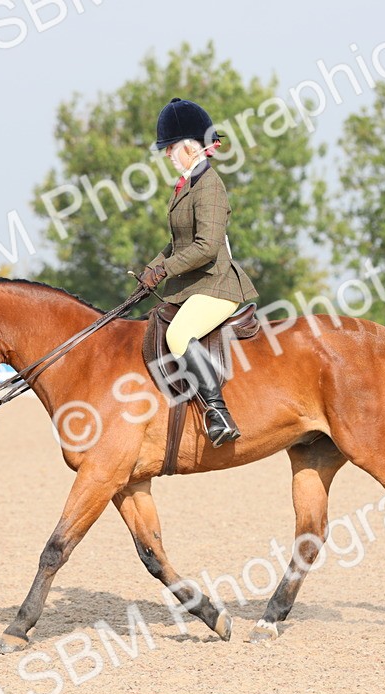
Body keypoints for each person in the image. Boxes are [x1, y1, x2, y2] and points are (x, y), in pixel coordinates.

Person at [138, 98, 258, 447]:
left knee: (178, 335)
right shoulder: (188, 184)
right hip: (194, 285)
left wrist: (164, 270)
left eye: (170, 147)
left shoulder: (209, 186)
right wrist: (151, 269)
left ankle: (218, 412)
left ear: (190, 146)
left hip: (217, 284)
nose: (167, 154)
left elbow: (206, 246)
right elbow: (178, 241)